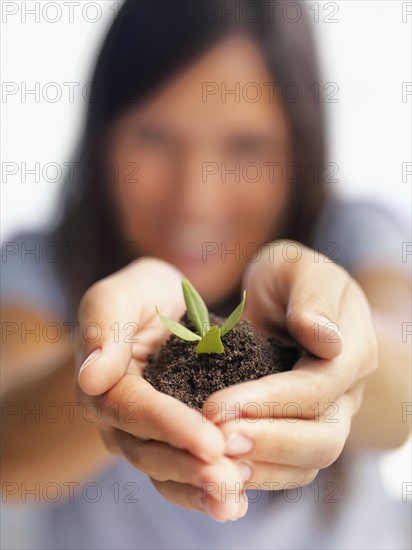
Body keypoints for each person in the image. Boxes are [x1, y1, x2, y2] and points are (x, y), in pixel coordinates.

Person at [2, 1, 410, 548]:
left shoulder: (356, 233)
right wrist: (98, 364)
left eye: (246, 146)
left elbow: (402, 379)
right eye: (154, 136)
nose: (195, 200)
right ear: (102, 138)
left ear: (300, 146)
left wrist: (345, 353)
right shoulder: (43, 262)